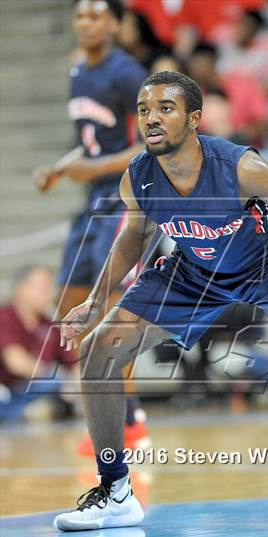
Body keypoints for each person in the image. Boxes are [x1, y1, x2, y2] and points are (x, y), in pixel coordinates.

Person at [54, 71, 268, 531]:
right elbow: (134, 237)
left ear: (194, 119)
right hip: (196, 270)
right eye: (143, 110)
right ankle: (115, 491)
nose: (151, 118)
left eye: (165, 108)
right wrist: (98, 301)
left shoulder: (240, 168)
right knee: (99, 349)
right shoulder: (137, 177)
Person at [32, 0, 149, 453]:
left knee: (112, 305)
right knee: (72, 301)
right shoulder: (78, 74)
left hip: (124, 197)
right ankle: (109, 409)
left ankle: (128, 420)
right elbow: (87, 142)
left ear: (115, 25)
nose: (86, 23)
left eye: (96, 15)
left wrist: (93, 167)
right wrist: (59, 169)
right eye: (79, 16)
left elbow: (149, 144)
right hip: (91, 199)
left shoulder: (126, 73)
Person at [0, 266, 77, 421]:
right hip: (8, 391)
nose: (48, 294)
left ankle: (35, 409)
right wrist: (57, 379)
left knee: (60, 386)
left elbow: (74, 364)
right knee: (52, 381)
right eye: (43, 288)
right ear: (23, 289)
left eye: (49, 288)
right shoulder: (5, 317)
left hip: (34, 390)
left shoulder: (50, 325)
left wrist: (76, 387)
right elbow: (16, 363)